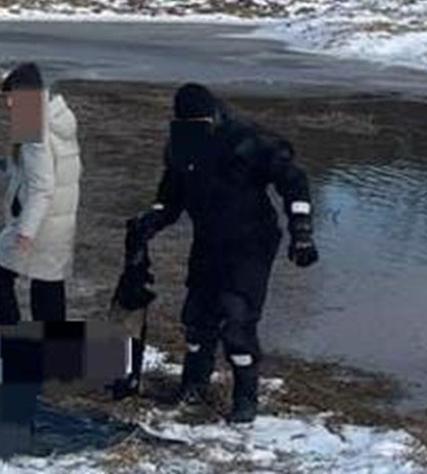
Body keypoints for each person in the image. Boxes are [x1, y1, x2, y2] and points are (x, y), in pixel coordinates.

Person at [132, 82, 319, 423]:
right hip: (209, 240)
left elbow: (293, 179)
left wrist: (302, 231)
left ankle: (245, 399)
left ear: (214, 117)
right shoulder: (182, 147)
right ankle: (193, 385)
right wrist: (153, 219)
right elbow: (171, 196)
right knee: (197, 319)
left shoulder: (246, 140)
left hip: (251, 242)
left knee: (236, 321)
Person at [0, 62, 82, 325]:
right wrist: (13, 168)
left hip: (41, 221)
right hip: (60, 218)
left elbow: (42, 185)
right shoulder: (58, 118)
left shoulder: (32, 123)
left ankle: (9, 343)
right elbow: (58, 168)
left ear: (25, 95)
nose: (10, 105)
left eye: (12, 97)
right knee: (47, 284)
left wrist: (26, 230)